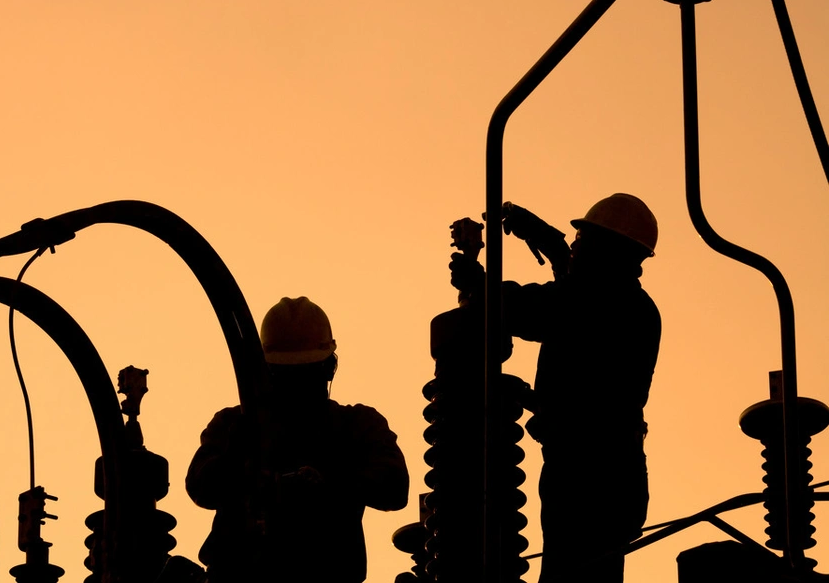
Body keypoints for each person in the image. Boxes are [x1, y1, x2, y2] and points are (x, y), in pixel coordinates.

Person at [451, 193, 661, 583]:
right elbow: (574, 299)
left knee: (572, 576)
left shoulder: (599, 302)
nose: (574, 244)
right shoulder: (634, 305)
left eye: (583, 239)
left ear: (606, 249)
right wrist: (546, 241)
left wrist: (477, 284)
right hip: (613, 474)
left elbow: (533, 309)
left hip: (587, 479)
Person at [186, 296, 410, 583]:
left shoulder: (356, 426)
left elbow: (394, 486)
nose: (297, 389)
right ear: (331, 366)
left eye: (305, 375)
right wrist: (240, 453)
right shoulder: (235, 425)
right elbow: (201, 487)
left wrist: (327, 483)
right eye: (288, 376)